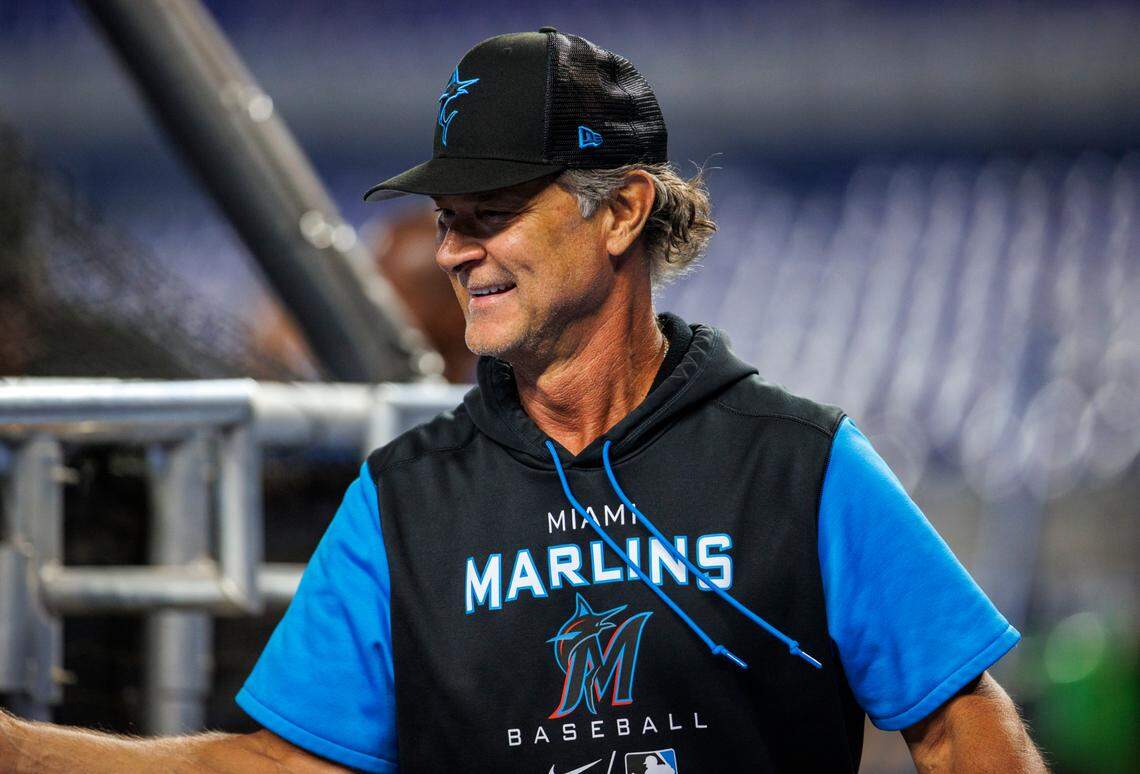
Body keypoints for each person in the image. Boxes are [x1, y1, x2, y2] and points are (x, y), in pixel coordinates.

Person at [0, 29, 1047, 772]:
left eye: (492, 214)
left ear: (623, 211)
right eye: (450, 218)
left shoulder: (800, 465)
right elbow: (280, 769)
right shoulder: (402, 500)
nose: (455, 252)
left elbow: (961, 729)